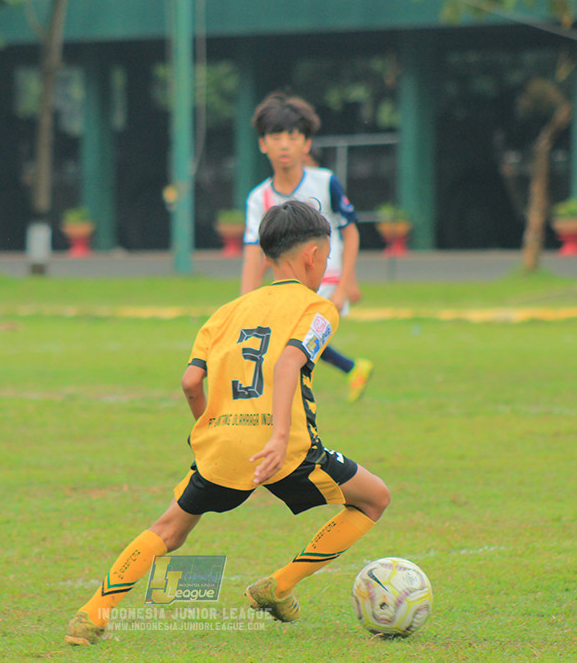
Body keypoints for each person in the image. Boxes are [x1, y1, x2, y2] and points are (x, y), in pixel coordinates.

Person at [64, 200, 391, 646]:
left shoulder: (225, 313)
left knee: (167, 530)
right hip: (285, 448)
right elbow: (287, 364)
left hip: (222, 444)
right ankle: (279, 585)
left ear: (265, 255)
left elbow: (189, 381)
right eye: (327, 258)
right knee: (374, 499)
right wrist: (276, 437)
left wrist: (215, 429)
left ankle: (92, 615)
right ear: (314, 257)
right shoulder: (318, 309)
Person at [241, 91, 373, 402]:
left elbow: (351, 232)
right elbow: (253, 254)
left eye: (293, 135)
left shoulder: (325, 183)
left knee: (292, 342)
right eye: (275, 135)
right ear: (262, 144)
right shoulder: (258, 198)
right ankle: (352, 369)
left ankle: (293, 410)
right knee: (295, 343)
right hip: (285, 287)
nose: (284, 143)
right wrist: (245, 306)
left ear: (307, 143)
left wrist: (345, 284)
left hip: (323, 281)